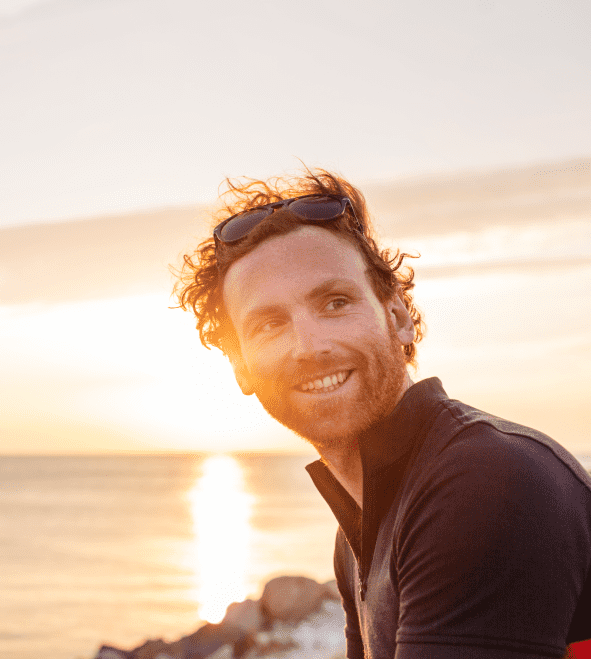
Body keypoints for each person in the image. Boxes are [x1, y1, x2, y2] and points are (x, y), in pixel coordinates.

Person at [173, 169, 591, 658]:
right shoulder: (363, 526)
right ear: (241, 368)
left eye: (335, 302)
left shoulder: (482, 480)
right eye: (269, 324)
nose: (309, 346)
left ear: (398, 317)